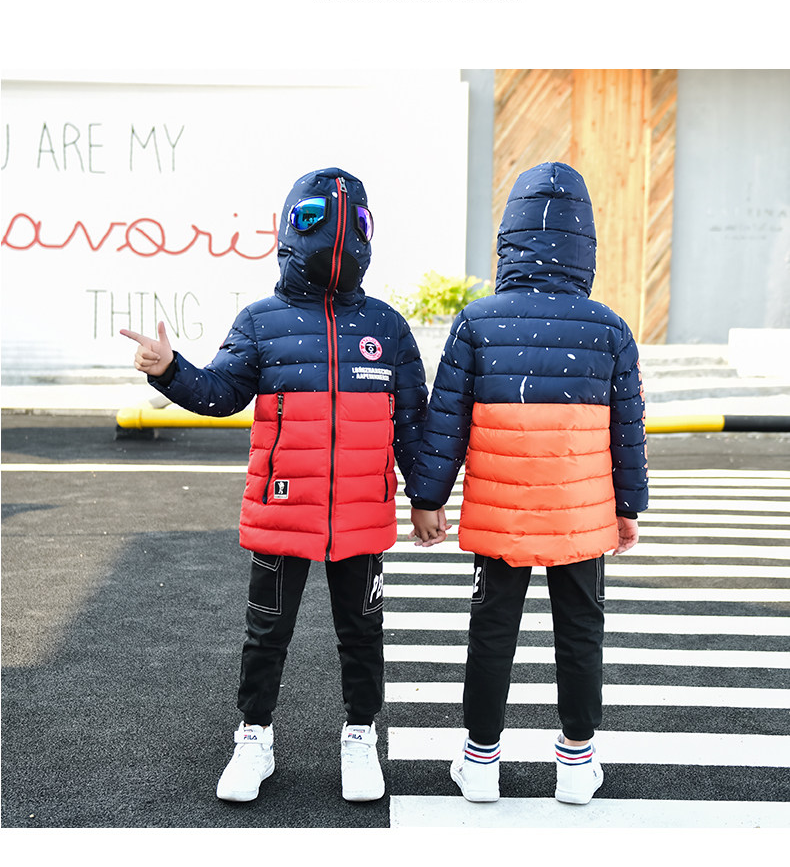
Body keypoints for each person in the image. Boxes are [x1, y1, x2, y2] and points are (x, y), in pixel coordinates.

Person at [122, 167, 426, 804]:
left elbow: (412, 423)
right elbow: (221, 393)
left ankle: (360, 735)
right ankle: (254, 737)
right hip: (282, 508)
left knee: (362, 634)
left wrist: (426, 498)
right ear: (292, 228)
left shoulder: (387, 327)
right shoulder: (262, 321)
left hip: (360, 513)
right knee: (266, 634)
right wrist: (171, 369)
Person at [408, 160, 648, 806]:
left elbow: (446, 420)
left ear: (509, 238)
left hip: (501, 512)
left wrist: (428, 497)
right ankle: (576, 763)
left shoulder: (477, 322)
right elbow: (627, 429)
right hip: (581, 514)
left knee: (492, 632)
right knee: (581, 632)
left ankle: (480, 761)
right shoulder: (609, 328)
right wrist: (628, 506)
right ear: (584, 244)